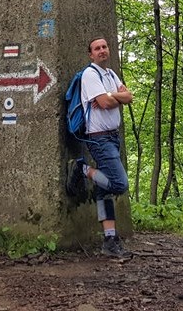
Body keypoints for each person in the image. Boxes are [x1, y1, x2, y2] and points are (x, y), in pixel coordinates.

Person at [67, 37, 133, 257]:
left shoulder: (111, 74)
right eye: (97, 48)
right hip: (99, 138)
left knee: (104, 191)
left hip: (113, 137)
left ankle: (109, 240)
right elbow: (104, 103)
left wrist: (112, 95)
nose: (102, 50)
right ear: (91, 54)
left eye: (104, 47)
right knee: (119, 184)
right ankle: (83, 169)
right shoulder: (90, 74)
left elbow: (128, 97)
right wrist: (116, 97)